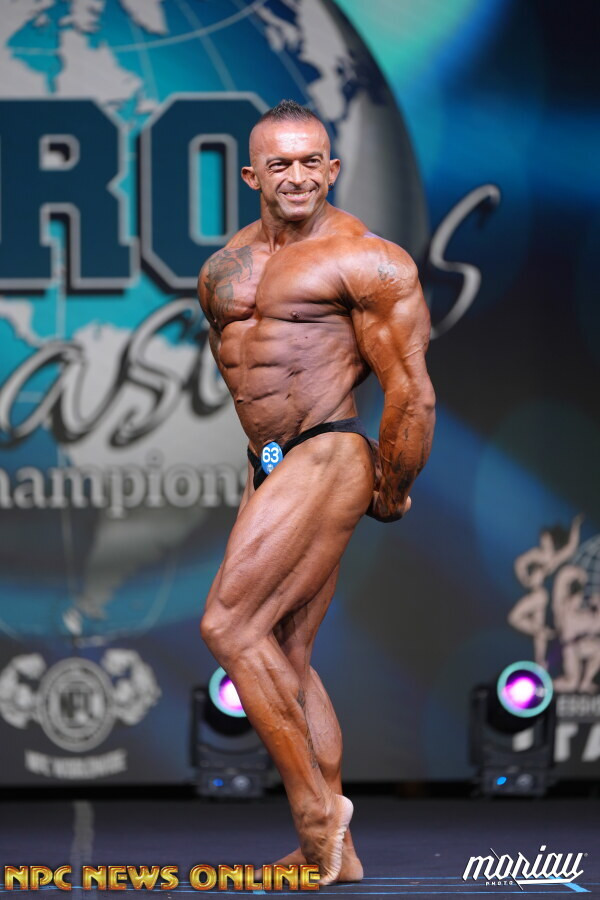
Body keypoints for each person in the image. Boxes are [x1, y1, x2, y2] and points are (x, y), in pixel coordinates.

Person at [197, 99, 435, 886]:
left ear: (332, 168)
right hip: (271, 463)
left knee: (230, 625)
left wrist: (392, 485)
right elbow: (249, 378)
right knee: (286, 652)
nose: (297, 176)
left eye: (311, 162)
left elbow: (412, 393)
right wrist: (264, 468)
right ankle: (332, 855)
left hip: (330, 452)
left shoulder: (366, 260)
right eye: (281, 164)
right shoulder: (226, 266)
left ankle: (318, 817)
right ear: (252, 175)